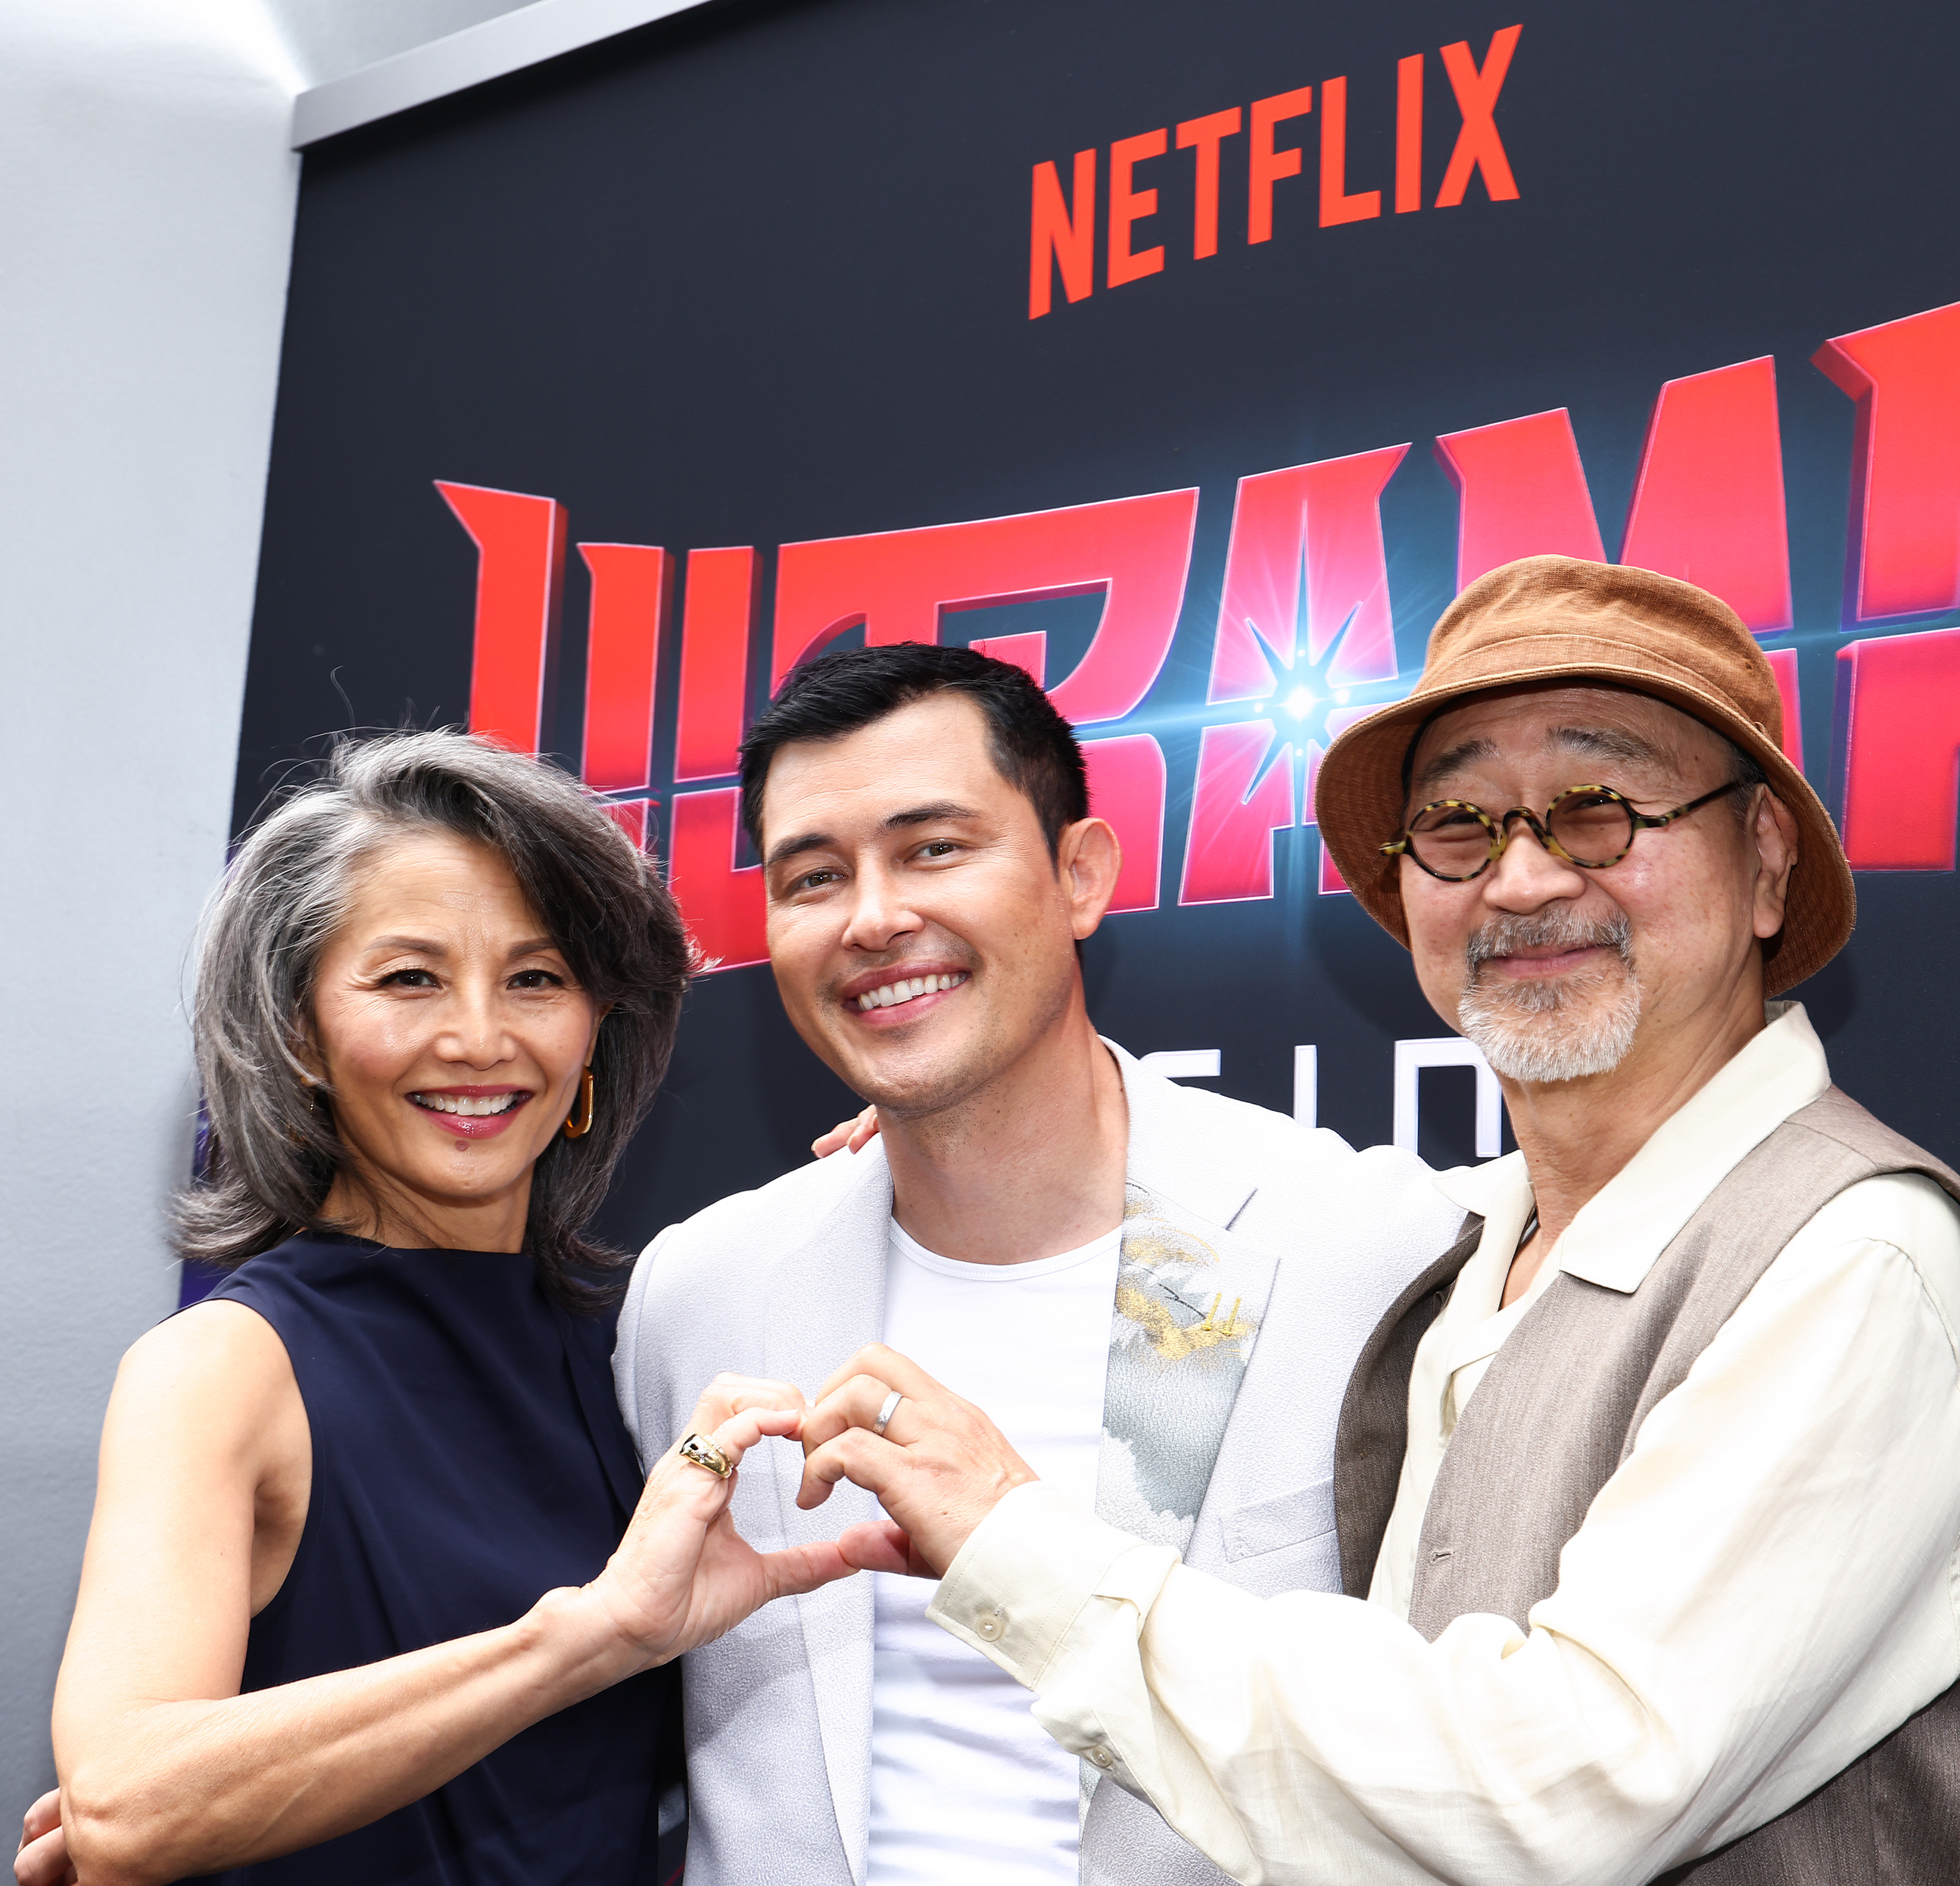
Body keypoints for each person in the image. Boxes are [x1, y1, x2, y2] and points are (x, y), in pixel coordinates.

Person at [796, 556, 1960, 1883]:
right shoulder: (1457, 1237)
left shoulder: (1850, 1258)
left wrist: (1021, 1545)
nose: (1521, 881)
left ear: (1762, 860)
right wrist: (945, 1127)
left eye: (1597, 808)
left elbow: (1558, 1791)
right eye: (1460, 825)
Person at [612, 645, 1469, 1885]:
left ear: (1080, 874)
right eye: (812, 875)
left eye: (934, 848)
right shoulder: (701, 1290)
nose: (872, 915)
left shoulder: (1360, 1242)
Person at [14, 731, 867, 1886]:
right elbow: (124, 1802)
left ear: (595, 1027)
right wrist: (584, 1636)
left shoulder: (636, 1346)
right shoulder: (224, 1365)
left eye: (537, 977)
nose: (479, 1037)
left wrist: (910, 1171)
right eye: (408, 977)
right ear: (298, 1032)